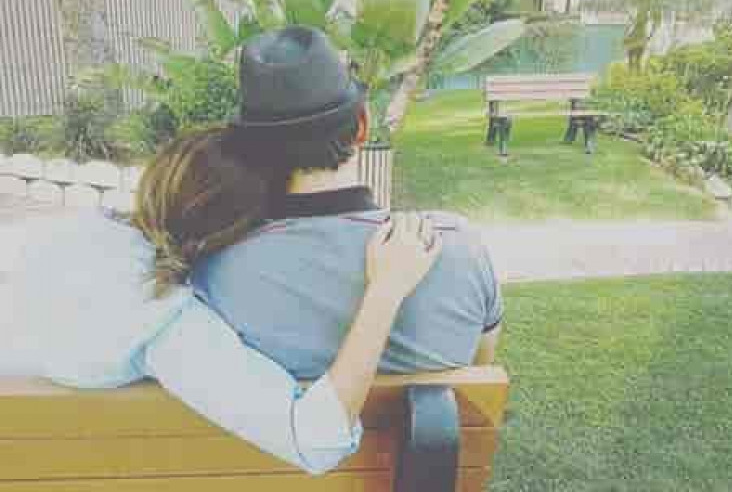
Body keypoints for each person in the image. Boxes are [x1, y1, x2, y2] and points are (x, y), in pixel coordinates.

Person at [1, 127, 442, 475]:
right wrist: (385, 289)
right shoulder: (166, 326)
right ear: (241, 235)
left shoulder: (74, 232)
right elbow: (316, 440)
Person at [192, 25, 503, 380]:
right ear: (362, 126)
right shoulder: (458, 247)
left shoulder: (215, 274)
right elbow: (479, 369)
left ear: (252, 149)